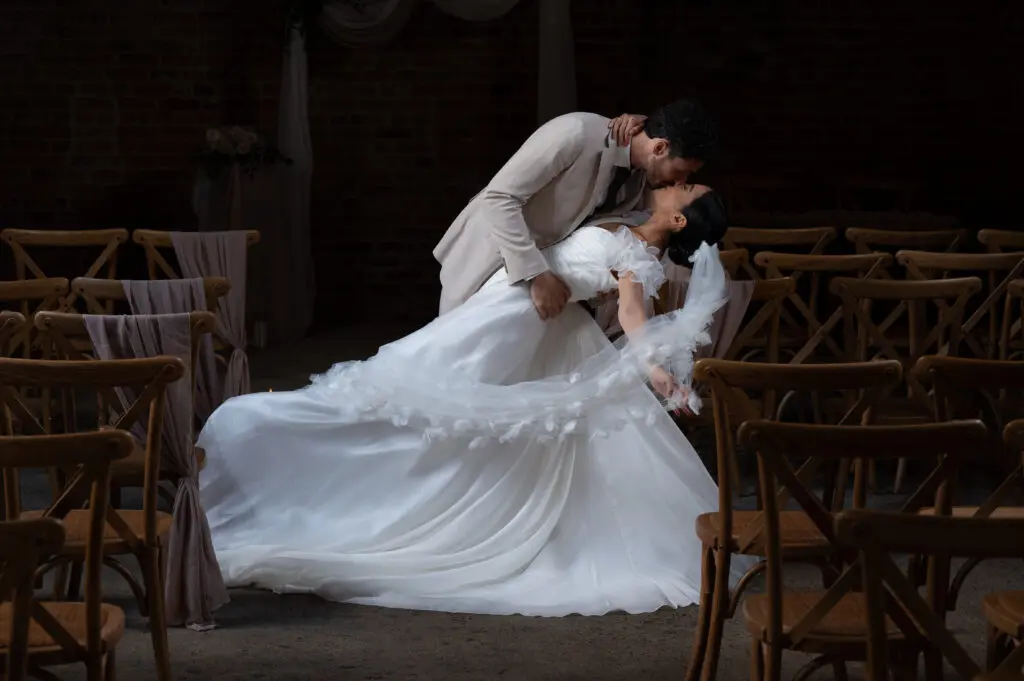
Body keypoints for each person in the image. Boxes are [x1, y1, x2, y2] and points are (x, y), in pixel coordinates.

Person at [197, 184, 750, 617]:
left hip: (515, 324)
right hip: (504, 307)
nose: (681, 185)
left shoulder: (640, 258)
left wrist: (654, 370)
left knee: (426, 409)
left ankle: (260, 437)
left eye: (688, 193)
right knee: (405, 397)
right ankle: (273, 442)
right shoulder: (627, 218)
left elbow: (632, 316)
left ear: (679, 221)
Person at [433, 99, 719, 318]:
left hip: (536, 292)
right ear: (660, 149)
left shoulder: (639, 180)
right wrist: (537, 274)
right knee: (450, 367)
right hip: (489, 255)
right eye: (682, 171)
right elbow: (499, 198)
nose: (681, 181)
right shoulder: (576, 133)